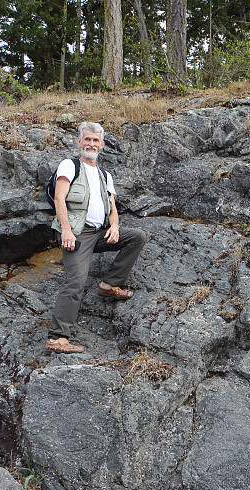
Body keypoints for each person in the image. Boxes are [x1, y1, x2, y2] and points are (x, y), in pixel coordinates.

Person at [45, 122, 147, 353]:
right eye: (87, 139)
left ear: (102, 145)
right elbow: (60, 199)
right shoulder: (70, 166)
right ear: (80, 141)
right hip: (76, 233)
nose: (91, 144)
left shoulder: (104, 175)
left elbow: (111, 206)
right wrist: (67, 230)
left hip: (99, 233)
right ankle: (57, 338)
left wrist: (116, 227)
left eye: (95, 140)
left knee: (137, 237)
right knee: (76, 281)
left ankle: (109, 285)